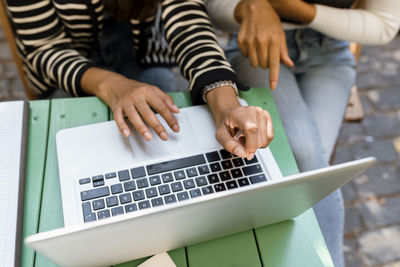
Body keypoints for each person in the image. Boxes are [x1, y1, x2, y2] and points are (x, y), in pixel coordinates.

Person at [205, 0, 400, 266]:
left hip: (331, 52)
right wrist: (249, 7)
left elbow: (384, 26)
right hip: (259, 45)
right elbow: (214, 9)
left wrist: (286, 6)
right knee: (304, 154)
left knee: (305, 163)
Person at [5, 0, 274, 160]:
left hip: (143, 59)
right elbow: (45, 48)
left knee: (176, 149)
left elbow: (187, 21)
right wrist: (114, 86)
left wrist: (227, 105)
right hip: (67, 76)